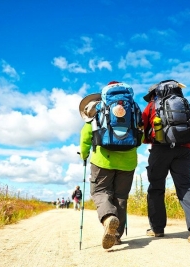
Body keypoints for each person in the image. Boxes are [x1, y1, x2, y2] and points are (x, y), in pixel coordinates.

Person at [79, 81, 142, 250]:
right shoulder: (134, 108)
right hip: (128, 161)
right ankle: (116, 236)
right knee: (121, 197)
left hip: (102, 159)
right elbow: (139, 136)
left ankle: (108, 218)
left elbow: (86, 135)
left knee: (100, 191)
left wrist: (84, 154)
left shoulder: (99, 108)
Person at [141, 81, 190, 243]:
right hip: (184, 149)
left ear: (154, 94)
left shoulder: (152, 106)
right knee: (185, 185)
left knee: (156, 187)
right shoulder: (183, 103)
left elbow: (143, 129)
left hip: (160, 150)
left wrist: (153, 137)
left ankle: (157, 229)